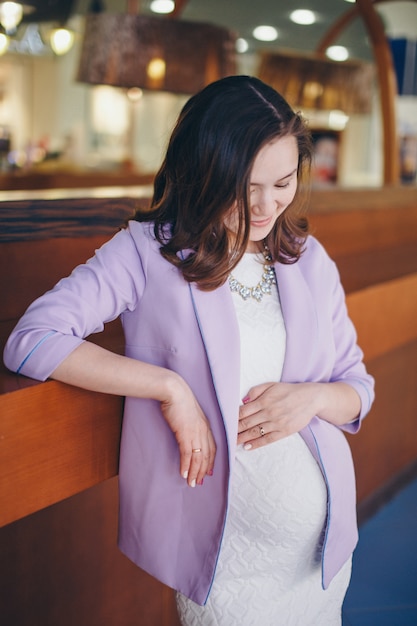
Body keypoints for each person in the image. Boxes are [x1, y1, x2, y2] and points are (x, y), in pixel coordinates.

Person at [3, 75, 375, 625]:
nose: (269, 204)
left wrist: (315, 398)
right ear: (205, 172)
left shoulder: (308, 259)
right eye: (248, 187)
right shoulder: (146, 254)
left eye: (284, 182)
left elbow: (357, 388)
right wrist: (166, 386)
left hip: (322, 558)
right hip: (227, 570)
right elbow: (31, 341)